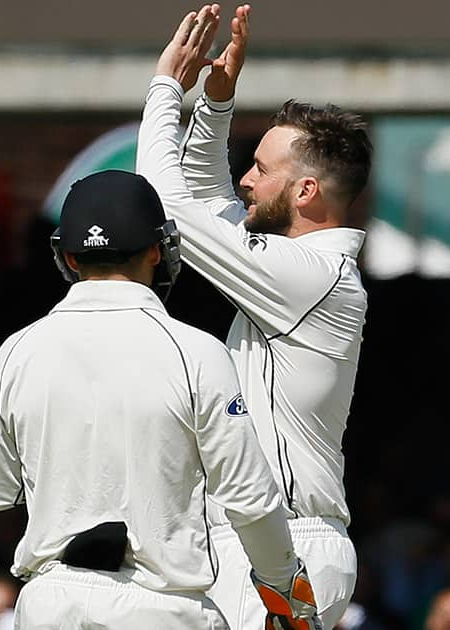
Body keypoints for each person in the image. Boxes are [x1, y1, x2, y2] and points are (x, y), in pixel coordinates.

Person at [0, 168, 321, 629]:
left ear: (69, 258)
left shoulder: (17, 351)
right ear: (158, 249)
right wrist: (285, 589)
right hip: (162, 606)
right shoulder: (196, 353)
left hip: (51, 606)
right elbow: (249, 500)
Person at [135, 4, 372, 629]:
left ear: (305, 192)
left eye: (261, 171)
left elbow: (166, 205)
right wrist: (213, 105)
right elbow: (210, 205)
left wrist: (166, 88)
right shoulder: (295, 267)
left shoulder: (309, 278)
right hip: (262, 541)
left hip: (284, 543)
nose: (246, 180)